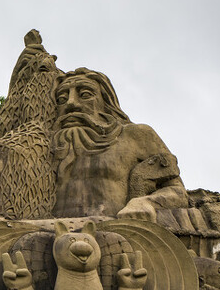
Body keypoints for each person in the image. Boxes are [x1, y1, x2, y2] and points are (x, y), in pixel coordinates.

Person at [51, 67, 188, 219]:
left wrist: (144, 203)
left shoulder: (136, 135)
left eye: (85, 95)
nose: (71, 104)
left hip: (115, 228)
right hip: (49, 230)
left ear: (105, 103)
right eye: (62, 99)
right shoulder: (42, 146)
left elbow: (178, 191)